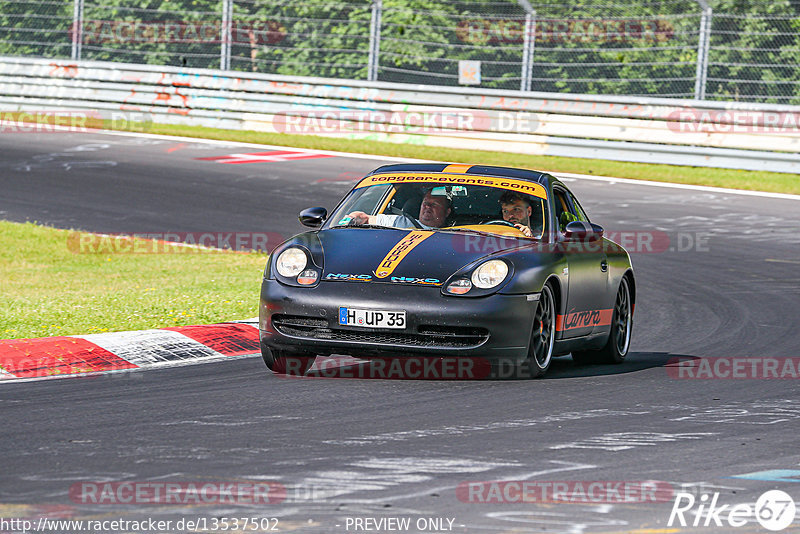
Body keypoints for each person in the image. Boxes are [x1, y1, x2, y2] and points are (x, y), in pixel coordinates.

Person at [347, 190, 452, 229]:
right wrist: (351, 218)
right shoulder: (399, 222)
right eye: (425, 203)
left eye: (434, 204)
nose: (428, 207)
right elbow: (364, 218)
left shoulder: (458, 232)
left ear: (447, 212)